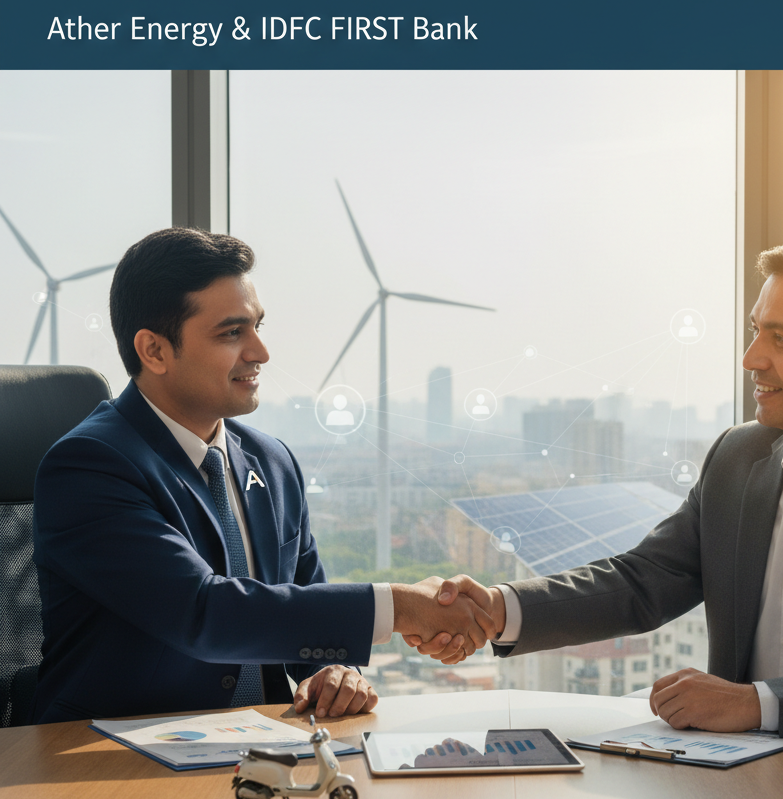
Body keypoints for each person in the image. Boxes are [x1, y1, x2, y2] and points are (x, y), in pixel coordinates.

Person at [410, 240, 783, 737]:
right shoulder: (738, 456)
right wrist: (497, 610)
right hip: (736, 776)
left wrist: (759, 703)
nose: (752, 358)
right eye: (756, 332)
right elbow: (645, 580)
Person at [31, 228, 493, 723]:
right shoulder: (89, 465)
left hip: (260, 750)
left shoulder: (272, 462)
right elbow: (203, 614)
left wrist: (334, 671)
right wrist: (399, 607)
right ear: (154, 351)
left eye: (257, 326)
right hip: (103, 763)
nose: (260, 352)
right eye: (232, 333)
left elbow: (300, 614)